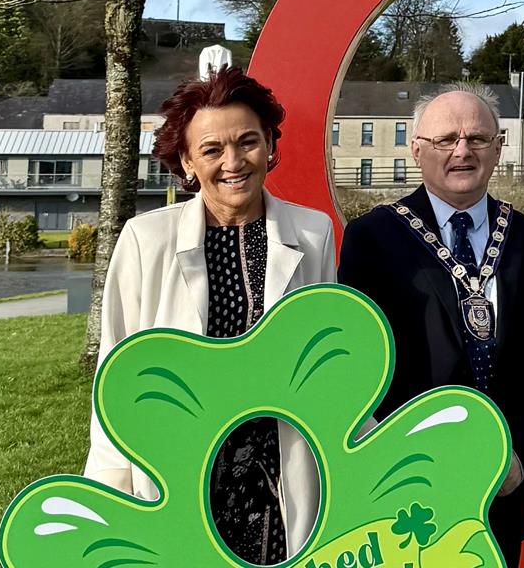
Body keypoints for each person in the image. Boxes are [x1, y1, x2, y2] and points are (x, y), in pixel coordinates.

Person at [85, 67, 336, 563]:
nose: (233, 162)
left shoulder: (314, 234)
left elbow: (327, 365)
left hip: (278, 466)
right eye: (212, 150)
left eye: (248, 141)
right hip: (181, 467)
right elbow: (114, 375)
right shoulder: (144, 239)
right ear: (186, 161)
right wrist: (111, 488)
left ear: (270, 144)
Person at [337, 86, 524, 567]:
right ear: (417, 148)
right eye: (446, 140)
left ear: (499, 147)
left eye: (478, 138)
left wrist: (519, 459)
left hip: (500, 483)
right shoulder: (373, 239)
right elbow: (359, 367)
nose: (463, 151)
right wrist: (395, 457)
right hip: (405, 481)